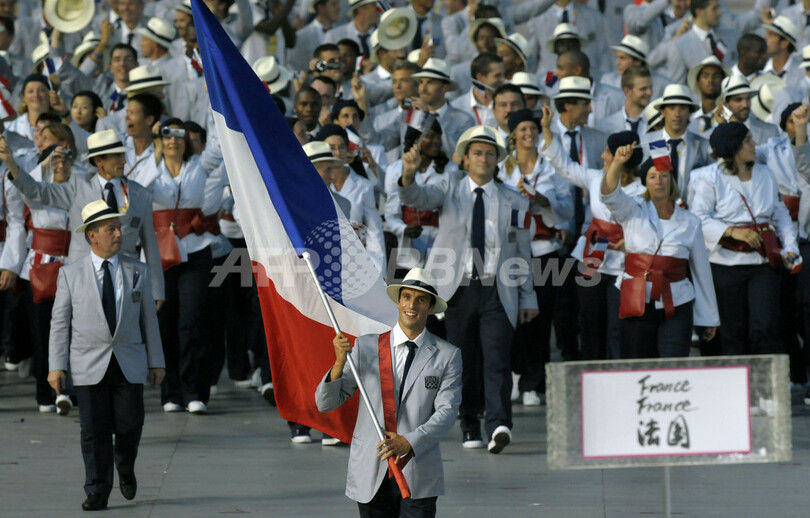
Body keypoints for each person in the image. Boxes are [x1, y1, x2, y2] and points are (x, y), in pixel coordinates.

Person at [399, 125, 538, 452]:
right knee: (463, 361)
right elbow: (417, 197)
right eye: (477, 152)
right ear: (464, 158)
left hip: (497, 289)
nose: (484, 158)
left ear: (498, 160)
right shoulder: (449, 186)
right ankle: (470, 423)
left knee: (497, 359)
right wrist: (408, 175)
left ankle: (499, 423)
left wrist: (528, 295)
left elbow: (521, 250)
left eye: (490, 153)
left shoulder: (513, 199)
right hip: (456, 290)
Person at [47, 199, 164, 511]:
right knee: (93, 431)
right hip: (87, 365)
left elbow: (148, 319)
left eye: (118, 228)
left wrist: (157, 361)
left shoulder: (138, 270)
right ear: (92, 236)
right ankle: (97, 489)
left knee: (130, 425)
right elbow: (59, 323)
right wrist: (56, 366)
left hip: (130, 362)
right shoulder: (70, 275)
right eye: (110, 229)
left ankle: (124, 464)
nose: (118, 234)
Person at [315, 267, 462, 516]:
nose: (412, 305)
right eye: (407, 297)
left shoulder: (447, 355)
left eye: (421, 299)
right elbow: (325, 403)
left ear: (429, 308)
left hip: (418, 469)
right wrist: (339, 363)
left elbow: (447, 412)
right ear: (398, 302)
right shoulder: (367, 346)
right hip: (371, 470)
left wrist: (409, 442)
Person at [5, 129, 165, 303]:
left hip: (125, 280)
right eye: (117, 157)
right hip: (84, 279)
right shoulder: (78, 186)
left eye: (122, 155)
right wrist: (10, 162)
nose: (124, 161)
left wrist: (157, 290)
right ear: (99, 161)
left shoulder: (140, 194)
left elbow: (151, 246)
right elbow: (37, 191)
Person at [540, 106, 644, 361]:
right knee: (590, 324)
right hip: (592, 262)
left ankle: (618, 378)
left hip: (623, 266)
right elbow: (564, 165)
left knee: (618, 327)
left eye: (607, 151)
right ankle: (591, 378)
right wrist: (546, 128)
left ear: (621, 156)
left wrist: (630, 241)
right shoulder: (596, 177)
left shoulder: (643, 190)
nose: (602, 155)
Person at [689, 122, 801, 355]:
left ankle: (766, 385)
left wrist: (790, 246)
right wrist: (731, 231)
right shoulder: (709, 177)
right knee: (732, 330)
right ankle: (737, 386)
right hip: (724, 265)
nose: (754, 145)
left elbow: (779, 214)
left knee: (766, 325)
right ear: (735, 148)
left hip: (762, 263)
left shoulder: (766, 173)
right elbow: (698, 217)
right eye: (748, 141)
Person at [600, 144, 720, 359]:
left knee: (673, 360)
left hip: (677, 299)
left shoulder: (690, 221)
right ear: (645, 182)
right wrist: (617, 163)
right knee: (636, 360)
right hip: (636, 296)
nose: (659, 182)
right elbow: (610, 195)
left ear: (672, 181)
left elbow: (702, 272)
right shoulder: (633, 209)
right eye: (653, 176)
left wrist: (709, 318)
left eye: (664, 176)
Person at [151, 118, 215, 414]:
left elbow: (221, 147)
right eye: (167, 135)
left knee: (193, 321)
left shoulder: (200, 165)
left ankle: (194, 391)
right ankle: (170, 391)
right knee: (165, 323)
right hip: (160, 254)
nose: (173, 140)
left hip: (195, 251)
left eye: (179, 135)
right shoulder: (148, 168)